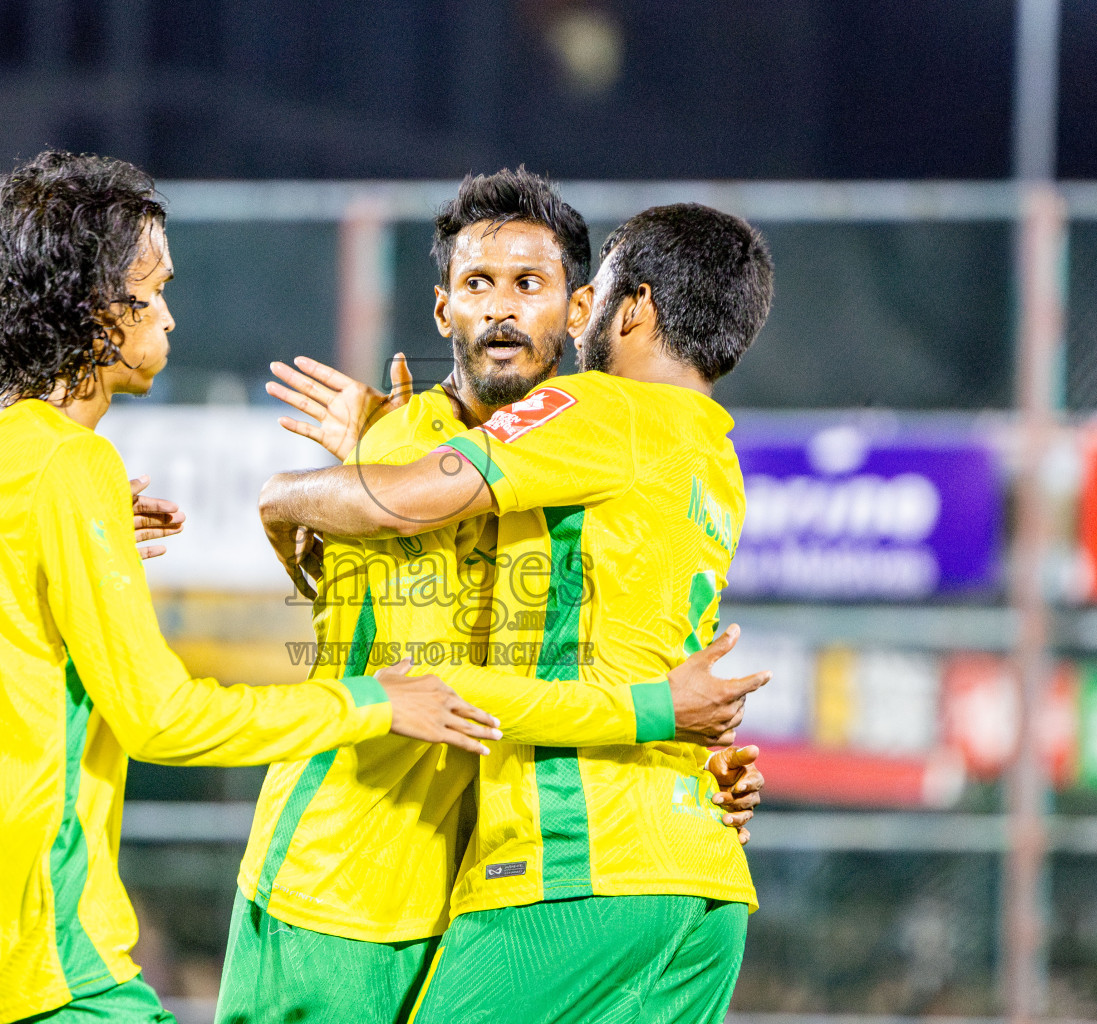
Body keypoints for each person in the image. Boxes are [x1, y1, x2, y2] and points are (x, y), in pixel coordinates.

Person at [0, 150, 500, 1024]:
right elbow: (159, 718)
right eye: (155, 288)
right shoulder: (71, 462)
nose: (170, 316)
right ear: (95, 305)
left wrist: (75, 557)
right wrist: (370, 702)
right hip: (39, 942)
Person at [219, 172, 768, 1024]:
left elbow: (590, 650)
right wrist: (668, 719)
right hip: (348, 885)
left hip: (523, 878)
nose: (502, 310)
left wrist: (699, 750)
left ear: (588, 308)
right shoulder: (405, 443)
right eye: (477, 284)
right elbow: (430, 672)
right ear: (444, 311)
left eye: (530, 285)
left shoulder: (585, 433)